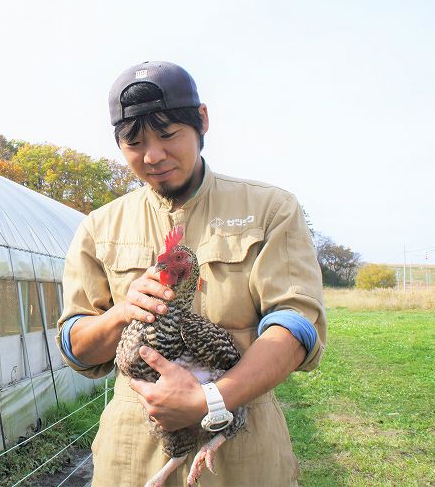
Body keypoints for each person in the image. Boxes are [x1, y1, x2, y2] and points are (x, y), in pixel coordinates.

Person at [56, 61, 326, 486]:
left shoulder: (270, 209)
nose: (153, 155)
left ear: (201, 120)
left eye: (167, 135)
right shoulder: (98, 227)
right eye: (135, 142)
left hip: (242, 461)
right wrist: (121, 312)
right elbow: (76, 346)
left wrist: (209, 399)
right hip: (131, 462)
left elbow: (295, 327)